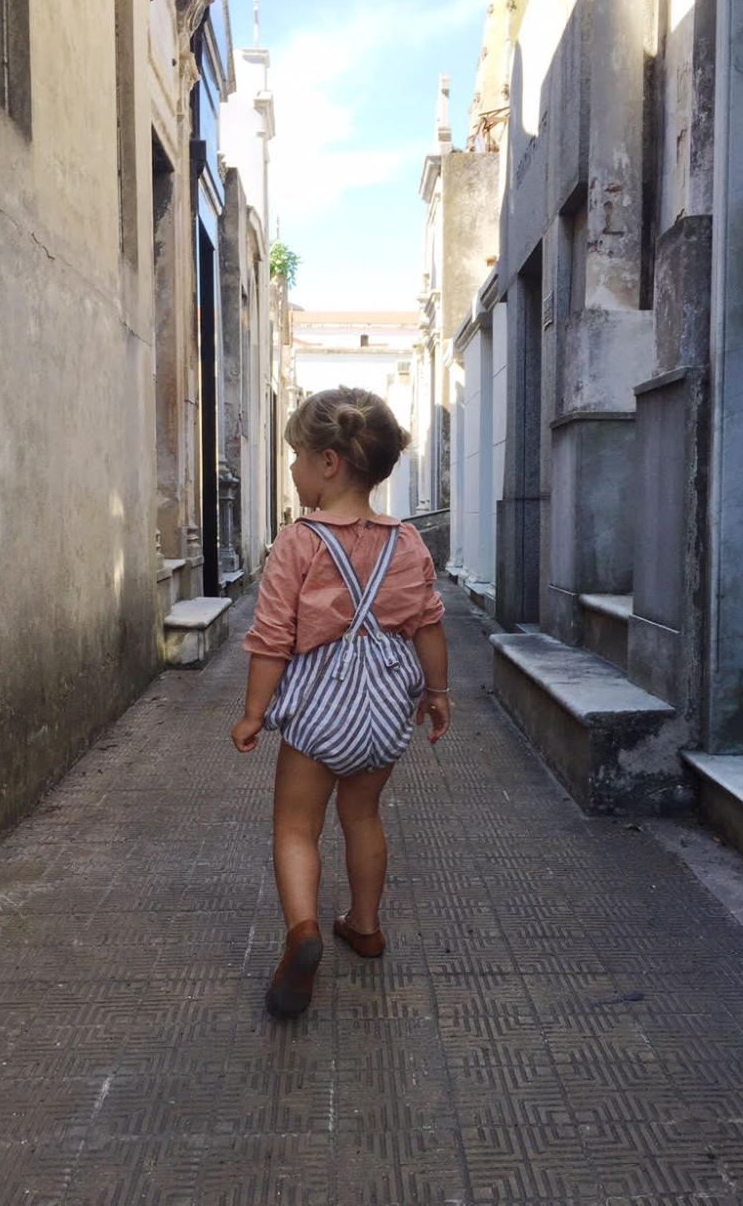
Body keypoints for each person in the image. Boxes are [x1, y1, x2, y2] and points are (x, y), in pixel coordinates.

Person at [231, 386, 451, 1018]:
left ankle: (302, 932)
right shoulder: (408, 543)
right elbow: (429, 625)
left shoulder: (299, 543)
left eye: (297, 456)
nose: (293, 469)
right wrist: (437, 695)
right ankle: (365, 924)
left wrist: (252, 713)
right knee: (363, 817)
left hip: (317, 714)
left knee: (296, 827)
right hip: (383, 710)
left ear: (329, 463)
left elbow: (271, 639)